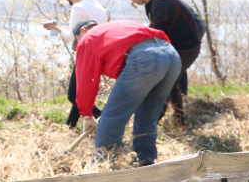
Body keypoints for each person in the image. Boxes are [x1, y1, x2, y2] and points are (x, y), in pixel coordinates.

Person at [74, 19, 181, 167]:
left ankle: (102, 165)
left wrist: (86, 115)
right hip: (171, 56)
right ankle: (146, 162)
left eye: (76, 44)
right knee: (147, 115)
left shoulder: (88, 38)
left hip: (146, 58)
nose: (78, 48)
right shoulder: (114, 29)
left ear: (82, 32)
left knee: (112, 116)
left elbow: (86, 81)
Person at [124, 0, 202, 126]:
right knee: (171, 81)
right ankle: (179, 121)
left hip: (187, 47)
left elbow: (157, 33)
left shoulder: (160, 1)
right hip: (178, 46)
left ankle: (150, 122)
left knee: (165, 81)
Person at [43, 0, 108, 128]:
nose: (70, 1)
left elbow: (72, 36)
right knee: (80, 91)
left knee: (74, 95)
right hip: (100, 54)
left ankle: (106, 118)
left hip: (86, 56)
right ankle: (70, 125)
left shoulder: (78, 7)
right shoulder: (99, 7)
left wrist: (55, 27)